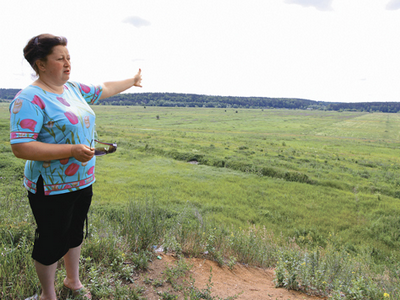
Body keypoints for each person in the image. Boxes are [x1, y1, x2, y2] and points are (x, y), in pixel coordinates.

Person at [9, 33, 142, 300]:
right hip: (50, 186)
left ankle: (73, 281)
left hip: (82, 179)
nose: (68, 63)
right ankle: (48, 295)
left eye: (69, 58)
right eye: (60, 59)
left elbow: (103, 88)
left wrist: (133, 81)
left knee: (74, 232)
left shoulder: (72, 89)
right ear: (41, 64)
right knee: (51, 240)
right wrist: (71, 150)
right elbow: (21, 147)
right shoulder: (29, 99)